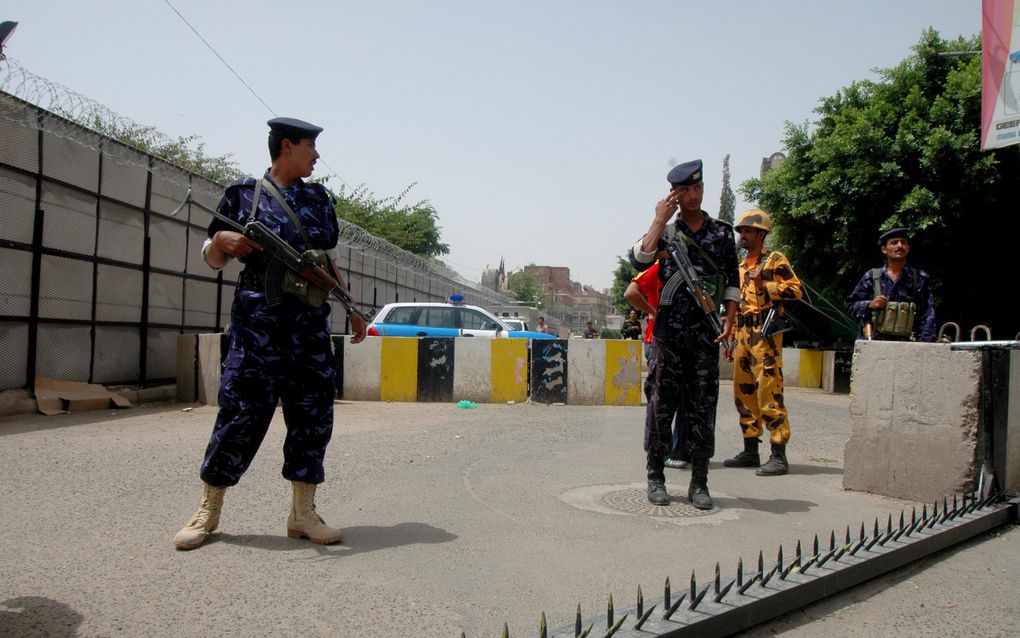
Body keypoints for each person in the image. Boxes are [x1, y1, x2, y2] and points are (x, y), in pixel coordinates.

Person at [173, 117, 367, 550]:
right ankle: (208, 509)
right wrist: (222, 240)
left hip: (309, 330)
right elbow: (212, 257)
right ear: (286, 147)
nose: (316, 156)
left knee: (312, 417)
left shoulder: (319, 200)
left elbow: (326, 261)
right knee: (239, 413)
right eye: (309, 147)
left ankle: (303, 514)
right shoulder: (243, 195)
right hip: (257, 329)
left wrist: (351, 307)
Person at [628, 159, 739, 509]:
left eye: (697, 188)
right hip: (669, 334)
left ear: (703, 189)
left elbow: (733, 283)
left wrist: (729, 321)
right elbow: (640, 261)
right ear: (674, 194)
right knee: (662, 404)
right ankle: (655, 477)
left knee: (703, 406)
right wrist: (660, 217)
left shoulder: (721, 234)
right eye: (684, 190)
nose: (692, 196)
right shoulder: (667, 233)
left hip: (705, 335)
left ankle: (700, 482)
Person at [722, 209, 803, 476]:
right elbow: (736, 303)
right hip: (744, 333)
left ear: (761, 233)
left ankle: (778, 453)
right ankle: (750, 450)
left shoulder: (774, 260)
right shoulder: (741, 267)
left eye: (747, 231)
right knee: (743, 393)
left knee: (769, 391)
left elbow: (795, 289)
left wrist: (767, 283)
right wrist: (731, 338)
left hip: (765, 332)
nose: (743, 236)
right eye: (741, 231)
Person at [625, 262, 689, 470]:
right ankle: (663, 451)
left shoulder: (696, 264)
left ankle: (679, 450)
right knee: (660, 398)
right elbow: (631, 292)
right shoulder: (659, 266)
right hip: (659, 339)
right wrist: (654, 311)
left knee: (684, 398)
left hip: (687, 339)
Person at [845, 228, 936, 342]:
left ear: (908, 248)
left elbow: (927, 315)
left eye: (903, 242)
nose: (899, 245)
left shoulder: (919, 279)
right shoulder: (872, 277)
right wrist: (869, 304)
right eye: (894, 242)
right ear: (884, 249)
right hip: (874, 345)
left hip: (906, 346)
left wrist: (924, 346)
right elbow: (850, 305)